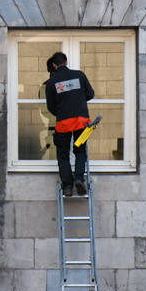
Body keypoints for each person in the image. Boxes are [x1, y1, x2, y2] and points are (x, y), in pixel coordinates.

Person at [45, 52, 95, 197]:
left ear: (54, 65)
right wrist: (78, 100)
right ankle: (79, 179)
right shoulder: (79, 75)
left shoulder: (51, 82)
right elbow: (90, 94)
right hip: (81, 122)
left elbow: (50, 107)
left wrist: (62, 112)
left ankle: (67, 187)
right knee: (80, 151)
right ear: (66, 62)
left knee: (63, 155)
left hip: (63, 124)